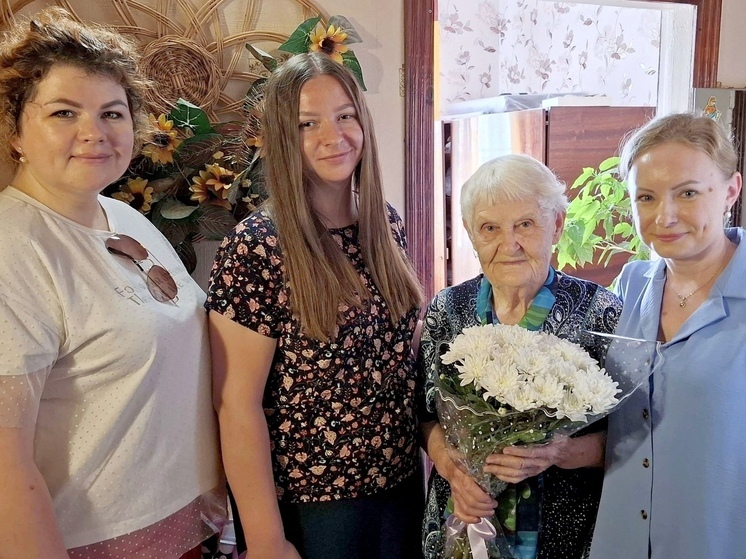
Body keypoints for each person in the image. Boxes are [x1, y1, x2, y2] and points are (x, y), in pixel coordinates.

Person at [0, 8, 225, 559]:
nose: (93, 133)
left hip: (185, 527)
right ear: (15, 130)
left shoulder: (121, 215)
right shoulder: (14, 247)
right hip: (95, 544)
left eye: (112, 113)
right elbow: (5, 464)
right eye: (64, 112)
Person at [206, 52, 425, 559]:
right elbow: (235, 405)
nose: (334, 136)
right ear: (284, 137)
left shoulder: (384, 224)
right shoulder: (256, 247)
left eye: (345, 115)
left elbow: (401, 358)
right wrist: (266, 538)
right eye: (308, 123)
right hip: (313, 507)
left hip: (399, 486)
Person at [419, 154, 622, 559]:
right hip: (460, 519)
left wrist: (560, 452)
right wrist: (452, 469)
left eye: (525, 224)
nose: (508, 244)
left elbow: (633, 438)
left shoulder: (601, 313)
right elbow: (424, 415)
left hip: (563, 533)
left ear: (557, 225)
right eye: (490, 228)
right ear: (471, 234)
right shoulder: (448, 309)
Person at [590, 113, 746, 559]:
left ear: (731, 191)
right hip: (621, 541)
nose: (665, 216)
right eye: (646, 197)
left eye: (688, 193)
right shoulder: (630, 285)